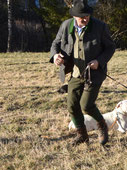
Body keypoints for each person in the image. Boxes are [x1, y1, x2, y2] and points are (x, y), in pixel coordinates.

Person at [49, 0, 116, 146]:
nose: (85, 19)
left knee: (86, 105)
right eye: (82, 17)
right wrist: (55, 56)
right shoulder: (66, 25)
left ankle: (102, 125)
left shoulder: (100, 27)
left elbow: (110, 48)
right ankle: (82, 135)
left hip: (95, 74)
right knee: (72, 106)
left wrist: (99, 61)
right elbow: (56, 43)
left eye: (87, 16)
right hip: (75, 73)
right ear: (74, 16)